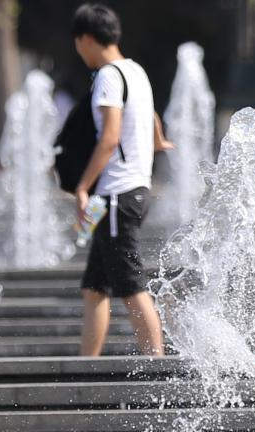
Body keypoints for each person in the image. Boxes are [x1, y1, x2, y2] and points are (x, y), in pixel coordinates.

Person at [71, 3, 165, 357]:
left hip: (116, 195)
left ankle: (156, 365)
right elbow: (151, 116)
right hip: (130, 190)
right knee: (95, 287)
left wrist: (83, 187)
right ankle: (86, 365)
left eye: (77, 43)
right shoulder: (135, 71)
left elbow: (109, 137)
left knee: (130, 285)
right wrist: (157, 141)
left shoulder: (108, 76)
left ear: (86, 39)